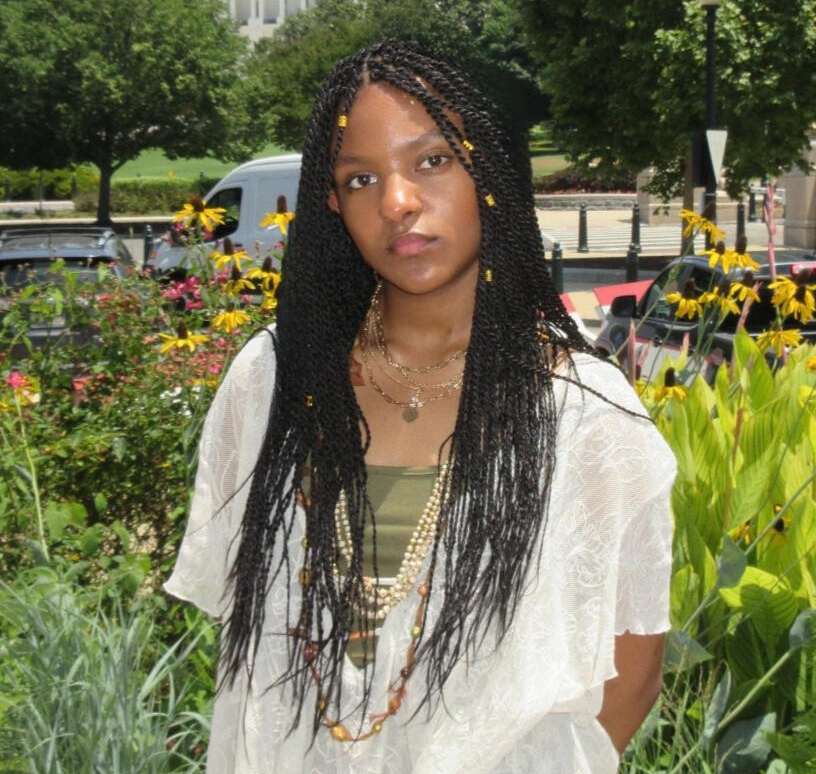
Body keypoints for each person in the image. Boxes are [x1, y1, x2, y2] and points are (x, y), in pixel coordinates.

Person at [166, 41, 677, 773]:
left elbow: (630, 676)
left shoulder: (585, 418)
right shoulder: (273, 384)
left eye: (432, 161)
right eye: (361, 178)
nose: (397, 202)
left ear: (488, 171)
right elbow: (250, 660)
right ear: (333, 203)